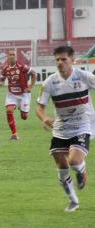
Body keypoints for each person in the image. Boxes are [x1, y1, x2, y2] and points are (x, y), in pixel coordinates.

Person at [36, 45, 95, 213]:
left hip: (82, 125)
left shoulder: (84, 77)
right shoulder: (49, 83)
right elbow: (39, 108)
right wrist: (45, 117)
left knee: (74, 161)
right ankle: (73, 201)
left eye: (64, 59)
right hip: (61, 129)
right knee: (61, 167)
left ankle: (81, 171)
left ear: (72, 60)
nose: (60, 63)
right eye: (57, 60)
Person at [0, 50, 37, 140]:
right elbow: (2, 80)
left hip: (24, 93)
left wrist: (31, 87)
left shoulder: (22, 66)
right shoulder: (5, 68)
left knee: (24, 117)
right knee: (9, 110)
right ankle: (14, 134)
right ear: (7, 57)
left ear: (16, 56)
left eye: (13, 55)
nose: (12, 56)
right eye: (10, 55)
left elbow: (34, 73)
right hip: (11, 94)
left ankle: (22, 107)